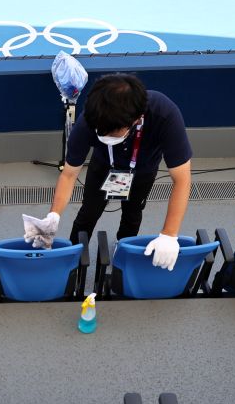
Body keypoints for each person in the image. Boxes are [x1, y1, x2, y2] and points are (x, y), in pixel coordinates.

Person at [25, 74, 193, 271]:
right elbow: (69, 174)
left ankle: (123, 250)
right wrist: (53, 215)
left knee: (132, 214)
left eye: (111, 133)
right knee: (88, 213)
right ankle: (74, 254)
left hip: (143, 169)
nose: (103, 135)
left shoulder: (165, 114)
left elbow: (182, 179)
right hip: (103, 165)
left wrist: (169, 234)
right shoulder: (91, 118)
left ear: (136, 119)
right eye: (99, 131)